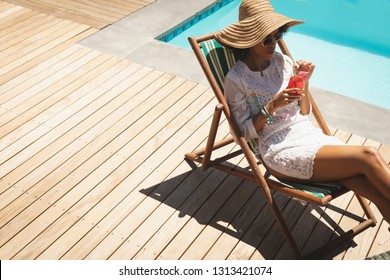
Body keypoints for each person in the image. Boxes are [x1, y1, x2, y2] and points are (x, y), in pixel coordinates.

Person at [214, 0, 390, 223]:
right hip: (278, 149)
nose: (274, 44)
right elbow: (243, 135)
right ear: (249, 40)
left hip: (307, 135)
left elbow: (304, 111)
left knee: (370, 187)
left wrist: (304, 81)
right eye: (267, 38)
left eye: (278, 36)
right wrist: (270, 108)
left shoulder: (283, 62)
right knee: (369, 156)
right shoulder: (236, 79)